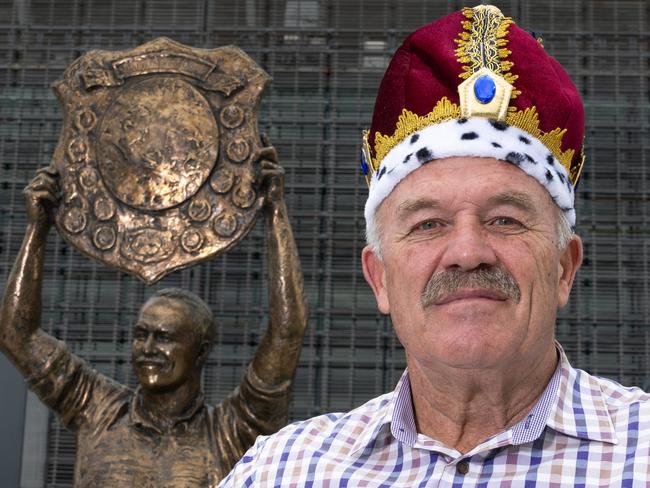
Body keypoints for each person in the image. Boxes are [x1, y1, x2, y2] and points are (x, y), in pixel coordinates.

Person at [219, 5, 650, 486]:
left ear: (564, 267)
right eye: (428, 224)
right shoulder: (282, 471)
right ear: (379, 277)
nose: (468, 252)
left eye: (505, 219)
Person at [0, 144, 309, 487]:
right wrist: (37, 228)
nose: (147, 347)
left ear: (201, 351)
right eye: (140, 334)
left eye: (163, 337)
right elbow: (18, 335)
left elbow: (287, 331)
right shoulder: (98, 410)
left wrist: (276, 212)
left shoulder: (232, 431)